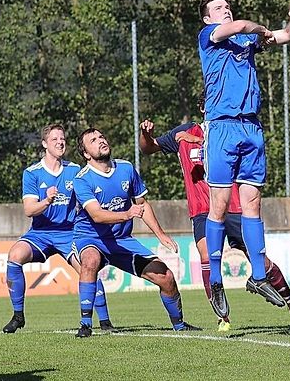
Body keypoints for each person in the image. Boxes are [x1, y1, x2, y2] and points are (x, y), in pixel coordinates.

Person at [138, 98, 290, 331]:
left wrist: (200, 141)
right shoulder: (183, 133)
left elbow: (229, 150)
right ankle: (223, 318)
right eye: (209, 104)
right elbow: (148, 149)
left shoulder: (233, 129)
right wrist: (146, 135)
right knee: (206, 255)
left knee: (262, 261)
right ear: (202, 108)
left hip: (235, 207)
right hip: (203, 209)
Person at [197, 0, 290, 319]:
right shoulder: (209, 36)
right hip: (222, 127)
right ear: (207, 18)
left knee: (253, 203)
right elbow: (246, 25)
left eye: (227, 7)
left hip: (251, 128)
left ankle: (258, 275)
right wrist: (259, 29)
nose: (225, 11)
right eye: (218, 9)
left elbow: (286, 36)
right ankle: (216, 279)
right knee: (219, 204)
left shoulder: (245, 39)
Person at [71, 128, 199, 337]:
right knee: (90, 261)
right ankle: (85, 324)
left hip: (122, 240)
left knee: (166, 276)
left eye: (102, 136)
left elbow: (142, 203)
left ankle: (180, 326)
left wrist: (160, 234)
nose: (101, 141)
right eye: (93, 140)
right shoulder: (82, 179)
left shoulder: (126, 168)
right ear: (86, 153)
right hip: (91, 238)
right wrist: (127, 214)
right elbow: (97, 215)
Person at [2, 124, 113, 333]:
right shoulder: (32, 173)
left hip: (70, 232)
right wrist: (47, 200)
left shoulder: (75, 171)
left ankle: (105, 322)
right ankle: (18, 316)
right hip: (41, 233)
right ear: (44, 144)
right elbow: (29, 209)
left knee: (88, 269)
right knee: (15, 256)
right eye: (54, 139)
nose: (60, 142)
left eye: (62, 139)